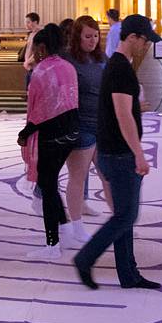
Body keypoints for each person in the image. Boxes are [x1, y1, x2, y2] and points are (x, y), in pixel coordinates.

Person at [74, 14, 160, 290]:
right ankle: (85, 258)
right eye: (145, 40)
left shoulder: (117, 65)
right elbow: (123, 115)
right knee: (125, 216)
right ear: (132, 37)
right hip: (120, 153)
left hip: (113, 150)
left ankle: (128, 274)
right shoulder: (120, 68)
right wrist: (138, 153)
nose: (147, 46)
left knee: (124, 213)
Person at [18, 24, 80, 259]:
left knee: (47, 185)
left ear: (42, 47)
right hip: (72, 132)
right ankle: (65, 230)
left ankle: (52, 244)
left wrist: (25, 132)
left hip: (51, 136)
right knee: (50, 184)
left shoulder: (42, 71)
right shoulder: (68, 67)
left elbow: (39, 109)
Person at [63, 15, 109, 238]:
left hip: (102, 125)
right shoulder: (69, 60)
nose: (93, 40)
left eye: (96, 36)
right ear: (77, 37)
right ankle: (76, 226)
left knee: (107, 175)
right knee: (78, 176)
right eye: (87, 37)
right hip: (80, 126)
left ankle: (118, 223)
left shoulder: (102, 58)